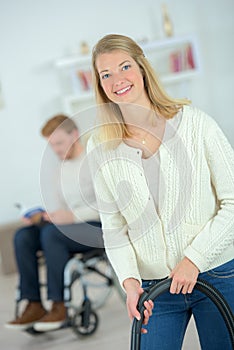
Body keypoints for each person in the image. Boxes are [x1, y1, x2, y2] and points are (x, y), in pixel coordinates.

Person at [86, 34, 234, 349]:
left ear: (142, 69)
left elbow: (232, 203)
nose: (118, 79)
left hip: (218, 274)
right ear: (100, 85)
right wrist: (130, 283)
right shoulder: (99, 147)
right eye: (106, 74)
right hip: (154, 289)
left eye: (125, 66)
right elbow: (114, 229)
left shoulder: (196, 124)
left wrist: (194, 259)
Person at [5, 114, 102, 332]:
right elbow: (61, 209)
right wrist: (43, 216)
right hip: (69, 228)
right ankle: (34, 304)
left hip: (98, 228)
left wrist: (72, 216)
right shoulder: (60, 169)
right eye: (52, 145)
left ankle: (59, 306)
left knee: (52, 235)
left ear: (74, 135)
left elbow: (110, 206)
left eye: (59, 143)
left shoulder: (95, 160)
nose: (56, 150)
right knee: (24, 235)